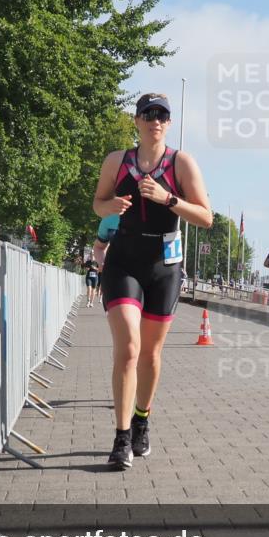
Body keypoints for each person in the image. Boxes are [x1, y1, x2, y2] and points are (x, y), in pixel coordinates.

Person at [92, 93, 212, 470]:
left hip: (164, 265)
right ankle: (121, 437)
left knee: (150, 354)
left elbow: (206, 217)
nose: (155, 121)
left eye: (162, 115)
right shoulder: (117, 161)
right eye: (148, 114)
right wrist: (108, 207)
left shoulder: (182, 163)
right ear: (137, 120)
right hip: (124, 261)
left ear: (169, 123)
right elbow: (98, 202)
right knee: (128, 348)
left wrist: (168, 198)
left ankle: (143, 419)